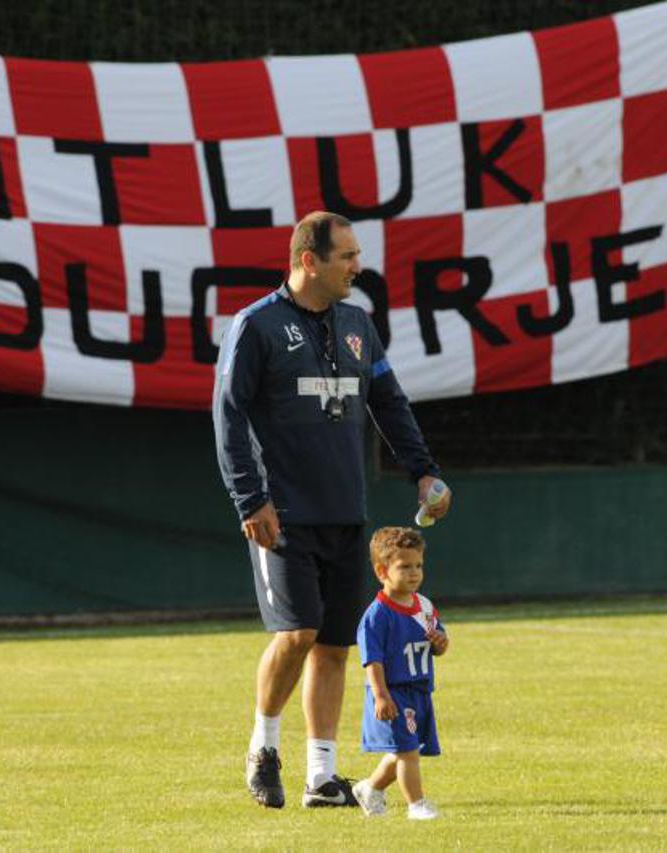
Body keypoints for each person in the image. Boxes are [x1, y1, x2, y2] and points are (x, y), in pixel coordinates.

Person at [213, 210, 451, 810]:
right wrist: (251, 497)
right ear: (308, 261)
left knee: (335, 644)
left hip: (345, 510)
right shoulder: (257, 326)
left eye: (356, 254)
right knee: (297, 632)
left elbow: (389, 402)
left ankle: (323, 776)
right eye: (346, 255)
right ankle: (263, 748)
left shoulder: (356, 324)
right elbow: (229, 415)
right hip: (282, 514)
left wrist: (423, 470)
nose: (357, 265)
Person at [351, 526, 448, 820]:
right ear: (382, 571)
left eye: (418, 565)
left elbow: (438, 643)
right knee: (408, 753)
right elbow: (373, 661)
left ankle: (370, 788)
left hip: (420, 691)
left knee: (405, 748)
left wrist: (441, 643)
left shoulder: (425, 606)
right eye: (404, 566)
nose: (414, 572)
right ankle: (416, 805)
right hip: (393, 692)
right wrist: (380, 696)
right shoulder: (377, 615)